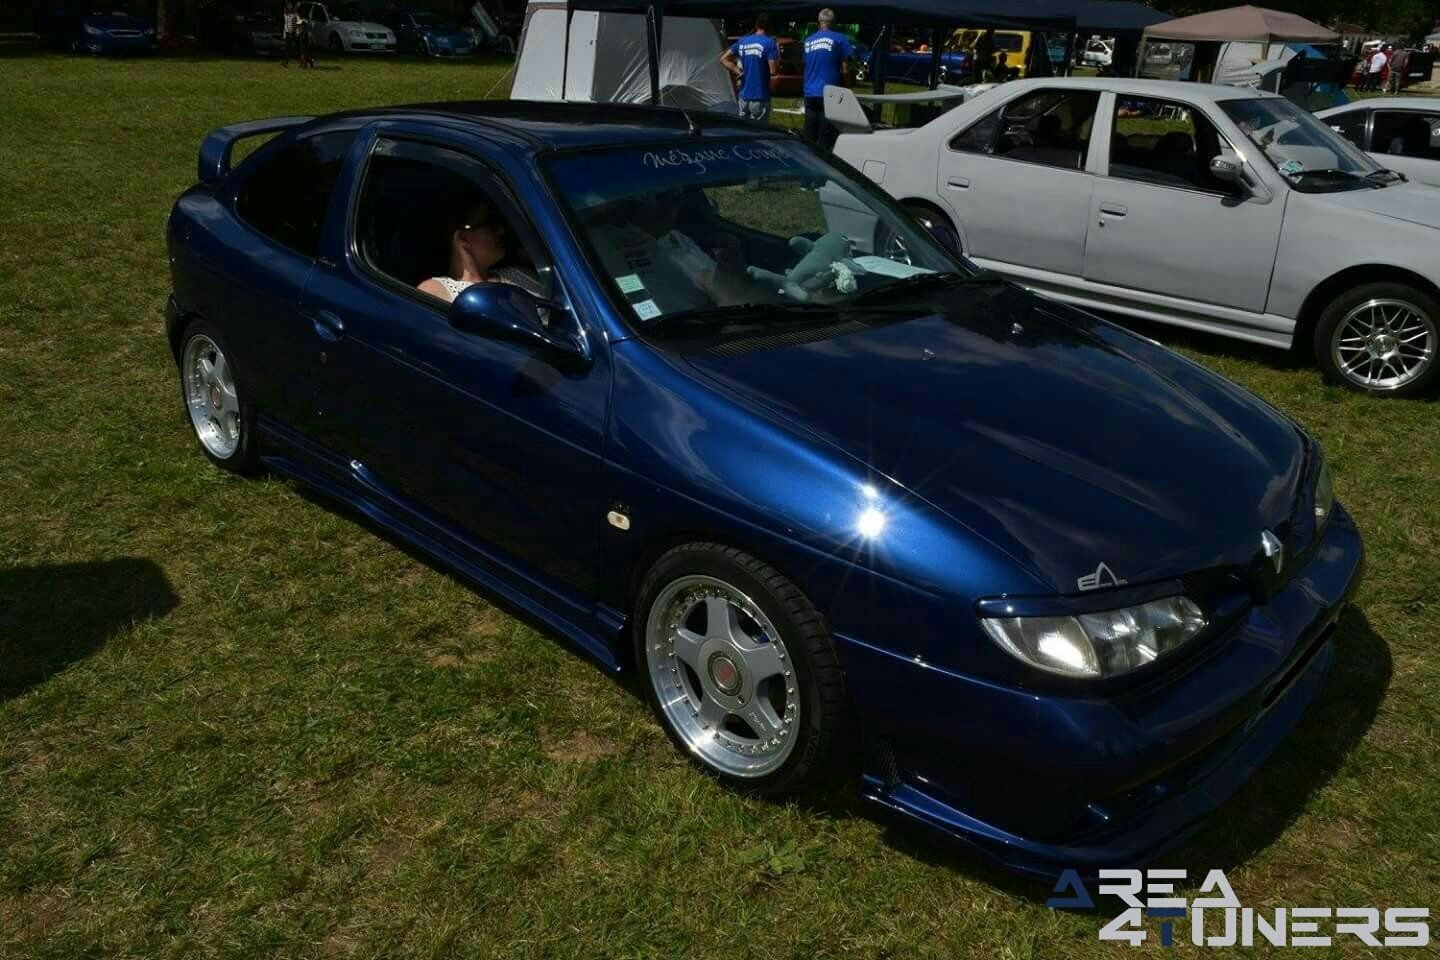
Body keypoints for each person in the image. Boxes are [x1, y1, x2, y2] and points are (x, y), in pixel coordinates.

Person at [419, 197, 544, 304]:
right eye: (491, 224)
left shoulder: (520, 273)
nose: (501, 230)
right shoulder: (437, 290)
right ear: (463, 238)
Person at [801, 8, 853, 147]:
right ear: (833, 22)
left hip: (810, 91)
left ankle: (807, 155)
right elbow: (845, 68)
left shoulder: (808, 41)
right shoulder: (839, 38)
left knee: (809, 131)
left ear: (819, 22)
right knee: (826, 133)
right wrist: (848, 87)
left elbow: (806, 64)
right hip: (829, 92)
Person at [721, 14, 778, 122]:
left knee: (743, 128)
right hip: (760, 95)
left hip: (744, 96)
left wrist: (738, 72)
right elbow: (773, 70)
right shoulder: (770, 42)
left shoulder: (743, 41)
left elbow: (723, 59)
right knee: (759, 129)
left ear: (756, 25)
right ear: (770, 27)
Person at [281, 0, 300, 67]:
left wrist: (297, 31)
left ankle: (302, 61)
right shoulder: (285, 14)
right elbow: (285, 24)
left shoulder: (295, 14)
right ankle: (285, 62)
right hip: (287, 33)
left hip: (294, 33)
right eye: (288, 5)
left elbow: (298, 23)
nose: (289, 6)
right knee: (287, 48)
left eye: (291, 5)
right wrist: (284, 32)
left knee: (297, 48)